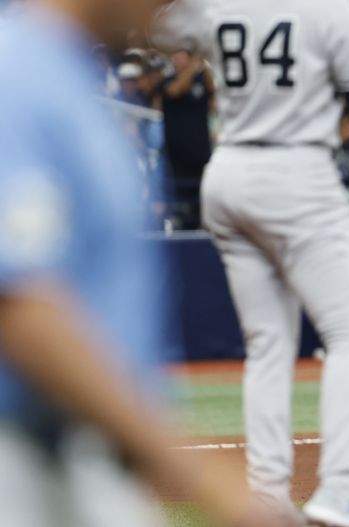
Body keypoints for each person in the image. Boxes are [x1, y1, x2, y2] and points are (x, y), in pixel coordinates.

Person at [152, 1, 349, 525]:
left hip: (227, 170)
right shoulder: (325, 7)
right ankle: (340, 488)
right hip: (296, 170)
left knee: (268, 345)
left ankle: (267, 496)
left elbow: (157, 29)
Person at [0, 1, 271, 526]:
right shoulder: (15, 73)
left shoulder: (72, 77)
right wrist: (190, 472)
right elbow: (19, 300)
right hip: (19, 465)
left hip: (80, 459)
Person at [160, 50, 214, 230]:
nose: (174, 59)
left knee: (203, 199)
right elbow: (175, 91)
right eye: (173, 55)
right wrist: (193, 66)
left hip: (199, 152)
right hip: (177, 154)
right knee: (181, 203)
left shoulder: (201, 79)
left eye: (179, 55)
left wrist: (205, 68)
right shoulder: (168, 80)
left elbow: (214, 93)